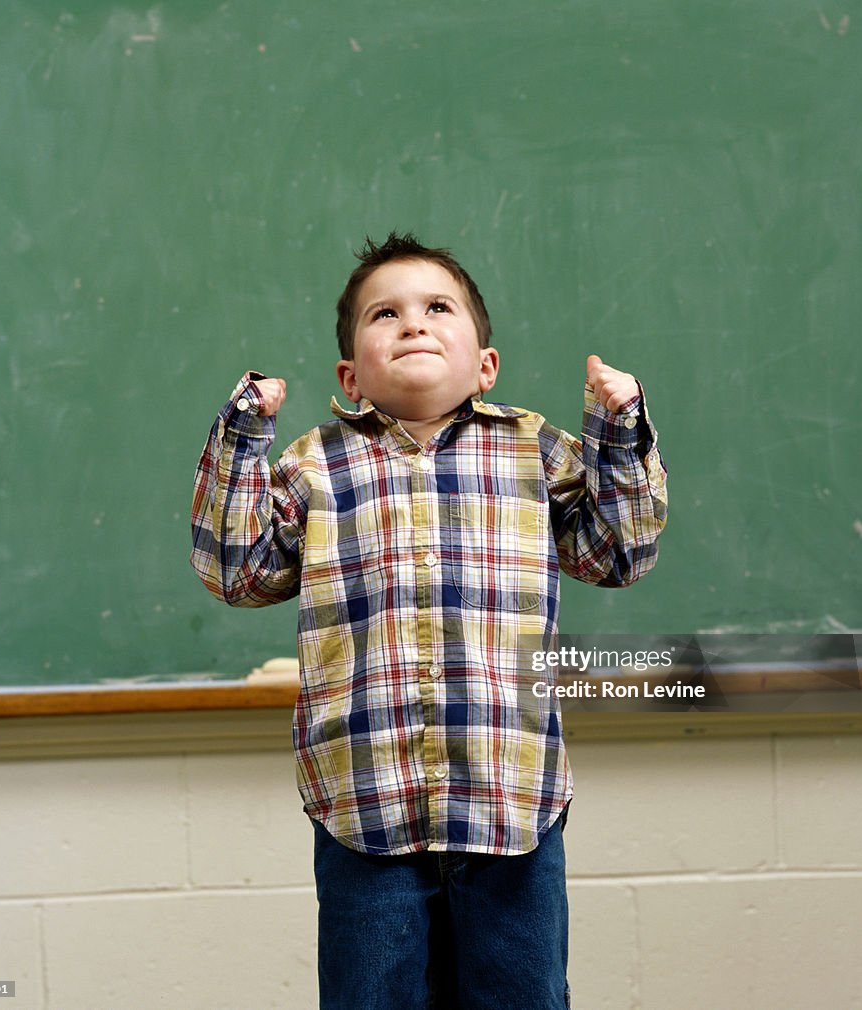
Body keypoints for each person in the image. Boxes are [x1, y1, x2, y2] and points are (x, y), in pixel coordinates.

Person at [190, 232, 668, 1009]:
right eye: (386, 313)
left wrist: (618, 430)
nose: (412, 324)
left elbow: (616, 554)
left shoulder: (534, 449)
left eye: (437, 308)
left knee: (524, 996)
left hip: (512, 800)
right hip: (365, 806)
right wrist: (245, 436)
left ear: (486, 364)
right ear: (351, 373)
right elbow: (234, 570)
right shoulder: (314, 465)